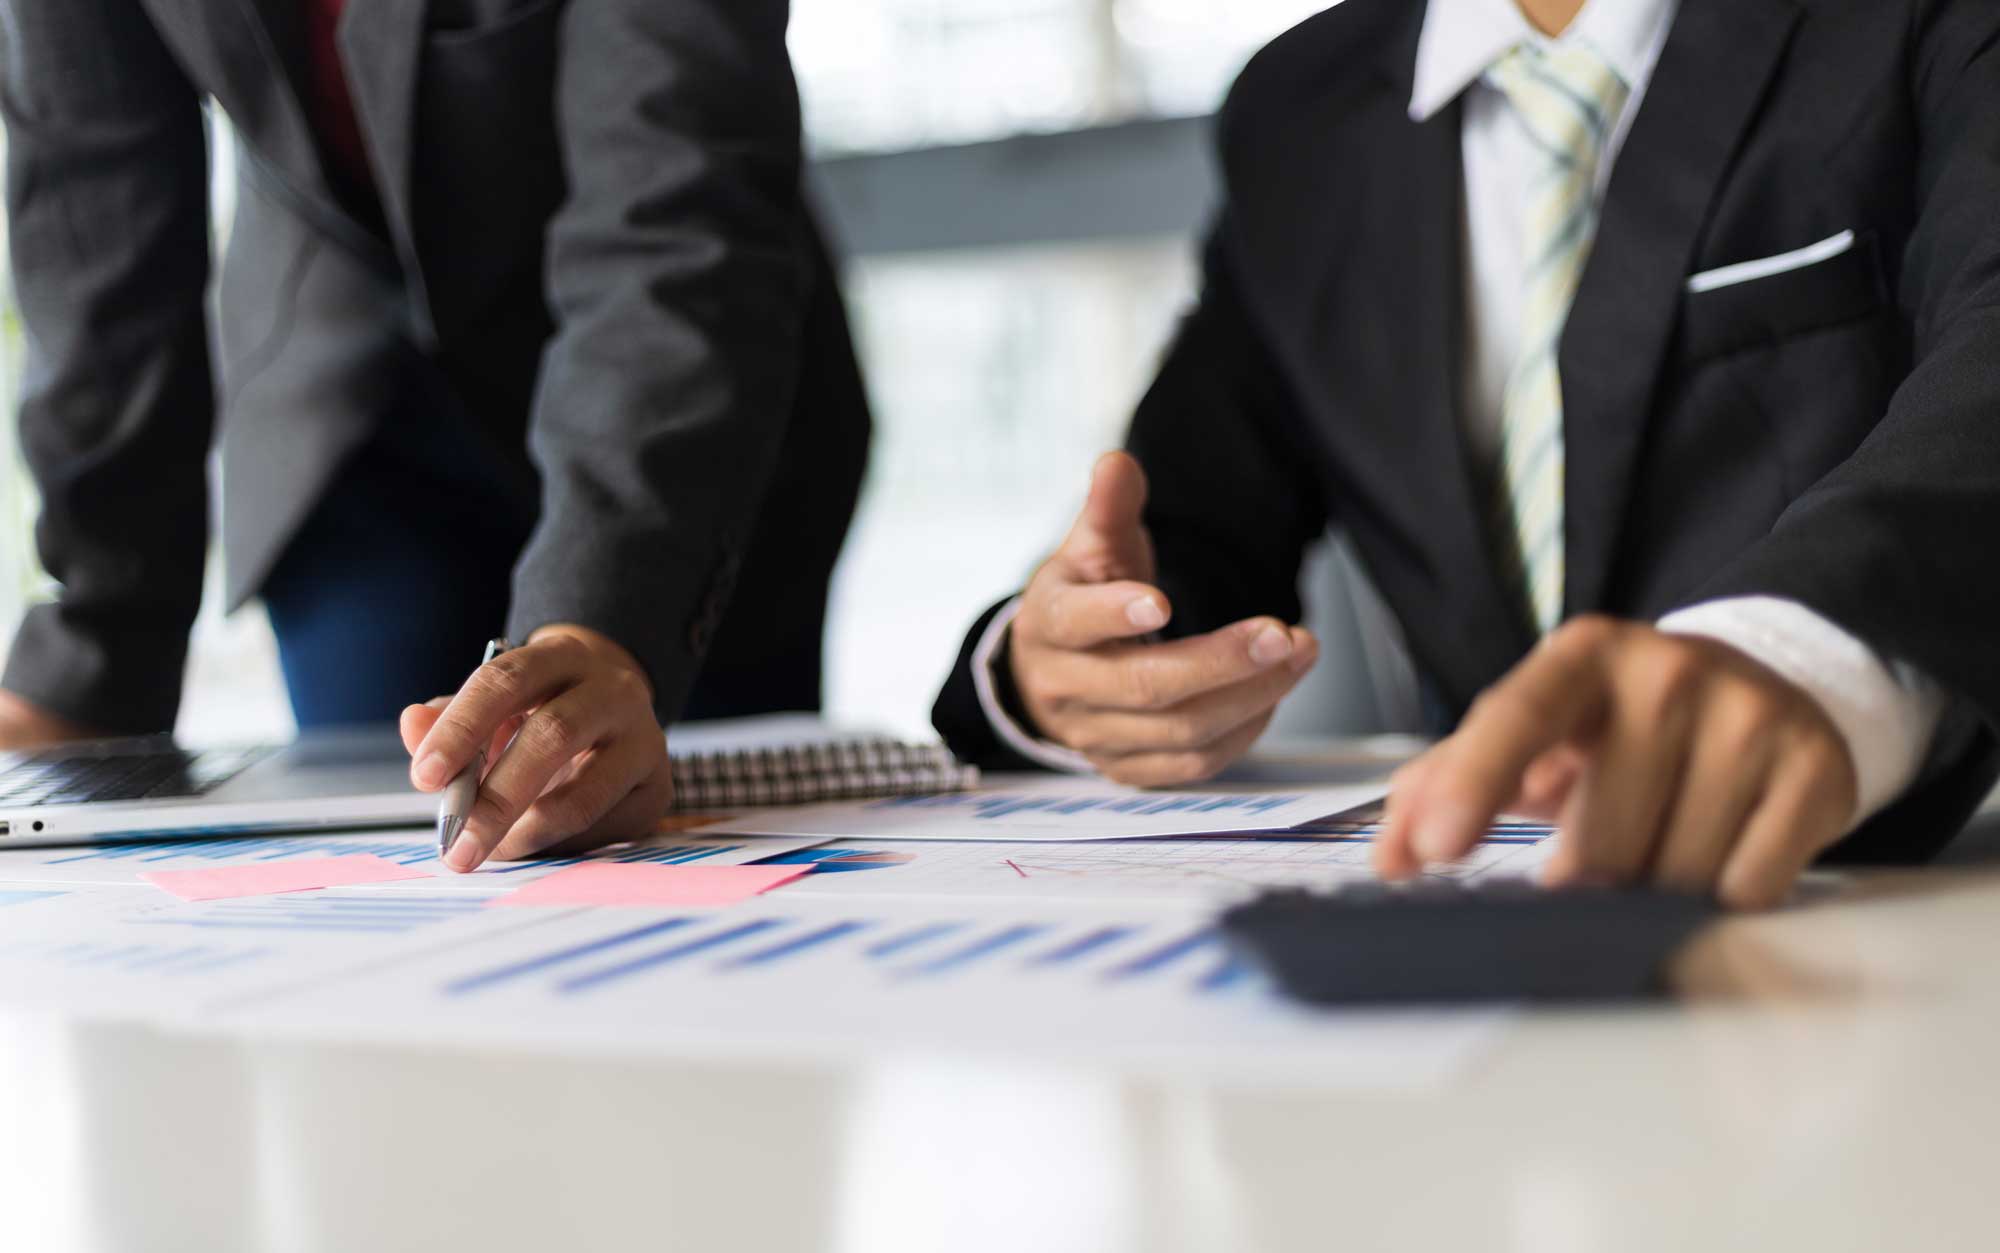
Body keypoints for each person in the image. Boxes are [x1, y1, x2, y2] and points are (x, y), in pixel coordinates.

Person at [933, 0, 2000, 908]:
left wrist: (1803, 655)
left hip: (1907, 898)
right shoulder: (1299, 111)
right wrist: (1072, 661)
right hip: (1486, 930)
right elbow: (1191, 528)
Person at [0, 0, 869, 869]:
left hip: (681, 431)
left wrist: (609, 619)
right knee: (412, 862)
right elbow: (94, 220)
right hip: (349, 425)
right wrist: (87, 667)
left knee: (662, 849)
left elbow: (674, 202)